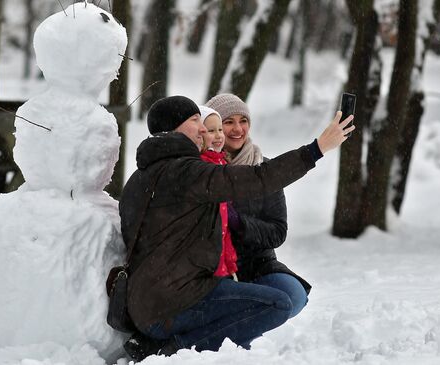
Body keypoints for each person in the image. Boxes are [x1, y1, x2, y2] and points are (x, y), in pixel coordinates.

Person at [119, 95, 354, 361]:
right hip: (173, 305)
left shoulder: (141, 177)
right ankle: (174, 347)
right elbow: (259, 177)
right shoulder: (187, 172)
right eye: (196, 121)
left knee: (283, 296)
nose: (204, 129)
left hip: (145, 304)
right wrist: (317, 149)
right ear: (174, 128)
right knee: (278, 304)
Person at [206, 93, 309, 319]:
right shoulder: (203, 169)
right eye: (228, 122)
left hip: (257, 265)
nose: (237, 129)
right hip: (213, 269)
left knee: (294, 296)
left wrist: (239, 223)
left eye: (243, 121)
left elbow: (277, 231)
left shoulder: (265, 169)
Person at [198, 105, 239, 281]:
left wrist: (230, 261)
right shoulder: (201, 166)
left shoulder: (221, 163)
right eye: (211, 130)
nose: (219, 135)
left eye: (220, 129)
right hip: (206, 259)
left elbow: (225, 225)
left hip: (221, 254)